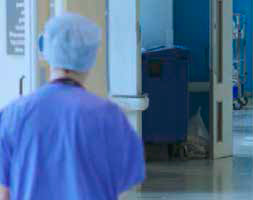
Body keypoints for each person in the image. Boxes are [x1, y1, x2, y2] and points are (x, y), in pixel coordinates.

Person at [0, 13, 145, 200]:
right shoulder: (109, 117)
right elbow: (123, 187)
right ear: (91, 55)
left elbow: (4, 192)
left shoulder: (13, 115)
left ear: (47, 51)